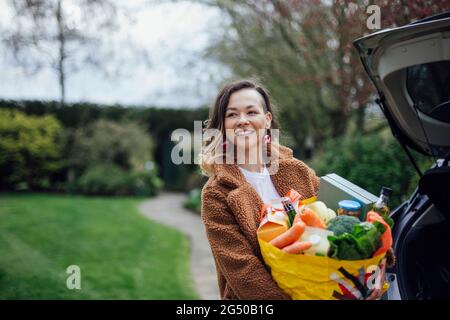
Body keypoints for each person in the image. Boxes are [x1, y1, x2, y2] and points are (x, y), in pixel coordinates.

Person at [199, 79, 384, 300]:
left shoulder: (297, 171)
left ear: (266, 119)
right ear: (222, 126)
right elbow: (242, 270)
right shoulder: (217, 193)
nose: (242, 121)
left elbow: (336, 228)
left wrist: (364, 280)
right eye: (231, 115)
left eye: (251, 112)